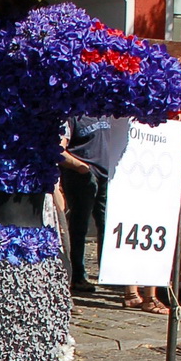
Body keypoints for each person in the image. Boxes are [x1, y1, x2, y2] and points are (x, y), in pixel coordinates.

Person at [60, 114, 111, 295]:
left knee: (106, 223)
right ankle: (77, 275)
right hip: (81, 176)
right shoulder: (72, 117)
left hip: (104, 175)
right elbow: (59, 150)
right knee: (79, 226)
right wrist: (81, 167)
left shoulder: (103, 112)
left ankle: (108, 272)